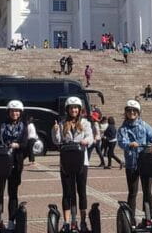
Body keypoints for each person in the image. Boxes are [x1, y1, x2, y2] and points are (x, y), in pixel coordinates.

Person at [0, 100, 29, 230]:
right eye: (12, 111)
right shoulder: (1, 126)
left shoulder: (23, 127)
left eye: (17, 111)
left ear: (20, 113)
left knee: (12, 192)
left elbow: (26, 144)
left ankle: (11, 220)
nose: (14, 113)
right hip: (1, 161)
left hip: (15, 162)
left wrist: (18, 145)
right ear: (8, 112)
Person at [52, 97, 94, 231]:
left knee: (81, 191)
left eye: (76, 107)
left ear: (80, 109)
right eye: (71, 108)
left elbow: (90, 137)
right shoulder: (62, 122)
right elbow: (57, 141)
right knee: (67, 192)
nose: (74, 110)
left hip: (82, 160)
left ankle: (82, 222)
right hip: (66, 161)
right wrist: (56, 130)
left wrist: (85, 141)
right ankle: (67, 222)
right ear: (67, 110)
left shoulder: (86, 123)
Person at [117, 100, 152, 222]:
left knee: (147, 192)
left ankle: (149, 218)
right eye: (129, 110)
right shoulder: (123, 128)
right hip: (131, 165)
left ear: (138, 113)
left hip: (145, 163)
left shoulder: (144, 125)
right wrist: (129, 144)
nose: (132, 113)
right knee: (132, 193)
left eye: (134, 111)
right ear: (126, 112)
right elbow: (121, 142)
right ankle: (131, 219)